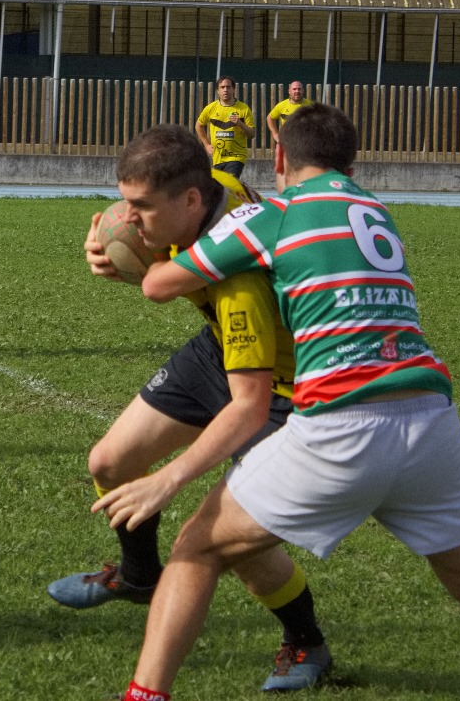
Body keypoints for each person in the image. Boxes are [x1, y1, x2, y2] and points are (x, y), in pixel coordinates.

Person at [109, 103, 460, 701]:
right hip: (429, 418)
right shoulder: (376, 210)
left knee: (196, 549)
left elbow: (158, 285)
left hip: (341, 423)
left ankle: (144, 695)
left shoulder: (275, 215)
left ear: (278, 158)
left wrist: (132, 254)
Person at [47, 126, 330, 692]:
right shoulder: (210, 185)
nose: (128, 218)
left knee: (238, 545)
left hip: (276, 387)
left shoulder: (239, 280)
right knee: (110, 461)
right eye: (126, 203)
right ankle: (139, 576)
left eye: (139, 208)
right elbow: (165, 243)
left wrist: (142, 270)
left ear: (191, 201)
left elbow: (247, 397)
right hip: (219, 348)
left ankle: (307, 642)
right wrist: (119, 246)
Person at [195, 76, 255, 180]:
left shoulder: (244, 109)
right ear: (218, 91)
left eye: (228, 87)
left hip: (237, 157)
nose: (225, 90)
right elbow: (198, 125)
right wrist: (207, 145)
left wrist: (240, 123)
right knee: (220, 189)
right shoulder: (211, 108)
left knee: (229, 183)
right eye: (222, 87)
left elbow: (252, 134)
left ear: (233, 89)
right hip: (218, 158)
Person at [265, 81, 313, 148]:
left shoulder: (310, 106)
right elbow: (270, 118)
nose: (297, 91)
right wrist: (275, 134)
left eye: (299, 89)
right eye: (294, 89)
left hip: (305, 144)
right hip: (287, 144)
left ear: (303, 91)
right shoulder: (282, 106)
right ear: (289, 91)